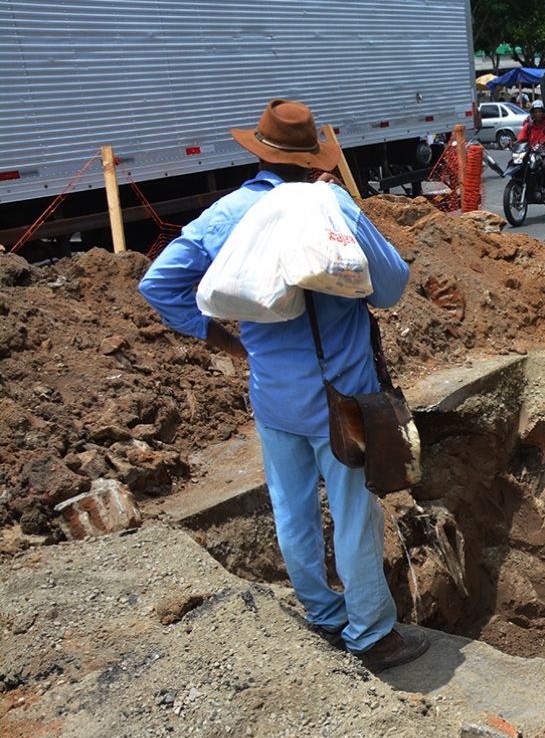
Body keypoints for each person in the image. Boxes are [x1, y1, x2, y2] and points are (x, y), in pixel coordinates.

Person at [138, 100, 428, 672]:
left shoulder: (226, 215)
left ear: (260, 152)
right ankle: (373, 636)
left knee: (292, 511)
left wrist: (231, 345)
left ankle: (323, 617)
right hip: (342, 399)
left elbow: (159, 284)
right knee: (353, 513)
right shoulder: (333, 205)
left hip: (273, 396)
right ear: (312, 158)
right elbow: (391, 287)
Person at [518, 99, 545, 177]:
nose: (538, 114)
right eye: (536, 112)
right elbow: (520, 140)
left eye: (539, 111)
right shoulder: (528, 127)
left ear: (543, 113)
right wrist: (511, 143)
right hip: (531, 154)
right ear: (532, 114)